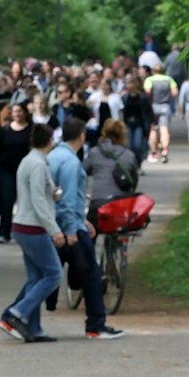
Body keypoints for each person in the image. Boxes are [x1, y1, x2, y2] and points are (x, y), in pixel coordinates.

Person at [52, 112, 124, 340]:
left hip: (56, 223)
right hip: (68, 227)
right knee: (92, 274)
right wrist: (74, 228)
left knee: (47, 274)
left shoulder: (53, 156)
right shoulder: (71, 162)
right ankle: (96, 324)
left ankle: (20, 314)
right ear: (82, 136)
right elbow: (68, 198)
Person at [1, 122, 65, 343]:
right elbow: (38, 200)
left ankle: (35, 328)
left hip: (23, 225)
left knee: (36, 278)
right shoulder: (38, 164)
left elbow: (38, 193)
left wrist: (53, 193)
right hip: (33, 227)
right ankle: (18, 312)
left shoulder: (30, 161)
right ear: (50, 142)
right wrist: (54, 230)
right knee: (54, 274)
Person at [0, 103, 33, 244]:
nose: (18, 114)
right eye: (15, 111)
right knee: (6, 201)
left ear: (25, 113)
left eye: (20, 111)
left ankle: (24, 231)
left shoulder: (31, 130)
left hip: (26, 170)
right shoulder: (5, 130)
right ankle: (4, 232)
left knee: (25, 201)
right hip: (6, 170)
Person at [145, 65, 177, 163]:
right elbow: (175, 93)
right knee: (164, 129)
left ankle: (154, 153)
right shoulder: (169, 79)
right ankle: (164, 151)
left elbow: (147, 92)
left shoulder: (149, 79)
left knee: (153, 130)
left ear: (153, 71)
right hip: (165, 106)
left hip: (153, 106)